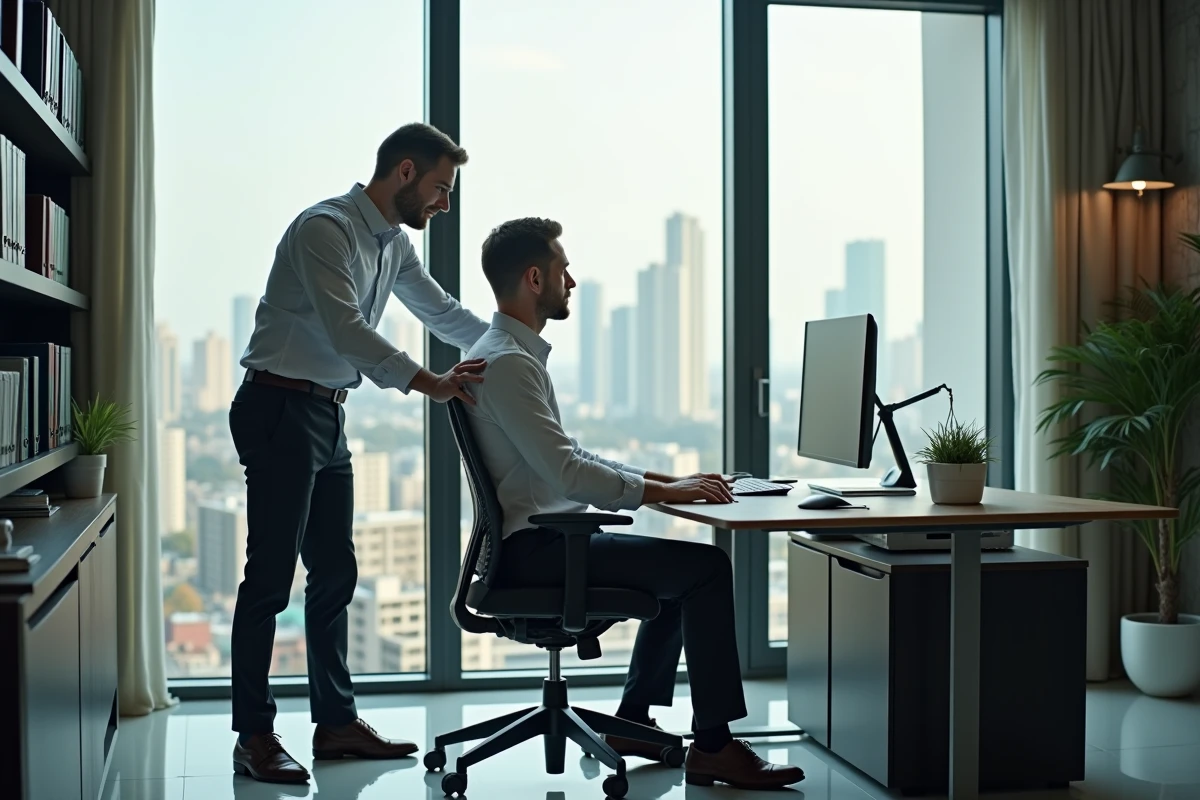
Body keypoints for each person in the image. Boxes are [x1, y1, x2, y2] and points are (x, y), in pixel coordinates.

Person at [460, 217, 806, 791]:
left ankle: (631, 722)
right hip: (539, 552)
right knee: (706, 570)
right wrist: (668, 493)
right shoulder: (509, 364)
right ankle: (715, 747)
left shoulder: (507, 356)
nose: (571, 280)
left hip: (540, 543)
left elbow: (568, 453)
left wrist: (669, 480)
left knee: (676, 571)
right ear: (533, 278)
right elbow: (568, 473)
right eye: (562, 268)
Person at [228, 123, 489, 785]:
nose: (445, 204)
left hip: (326, 411)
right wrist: (429, 382)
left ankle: (335, 723)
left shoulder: (393, 244)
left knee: (335, 573)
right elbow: (348, 329)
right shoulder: (326, 230)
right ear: (405, 173)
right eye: (439, 188)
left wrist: (507, 345)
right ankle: (253, 736)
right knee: (270, 579)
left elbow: (440, 311)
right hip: (280, 406)